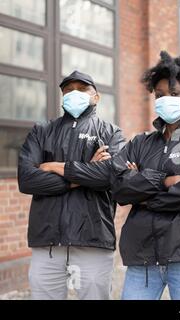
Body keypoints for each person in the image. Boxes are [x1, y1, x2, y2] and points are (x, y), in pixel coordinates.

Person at [48, 51, 180, 300]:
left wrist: (143, 196)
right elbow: (118, 188)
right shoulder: (140, 142)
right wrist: (163, 181)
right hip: (142, 259)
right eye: (160, 95)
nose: (166, 100)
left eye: (174, 94)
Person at [18, 71, 126, 300]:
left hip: (93, 240)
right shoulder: (42, 131)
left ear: (96, 97)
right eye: (68, 90)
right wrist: (85, 173)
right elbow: (27, 179)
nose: (74, 93)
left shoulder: (111, 133)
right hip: (47, 241)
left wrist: (56, 166)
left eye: (81, 88)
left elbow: (110, 176)